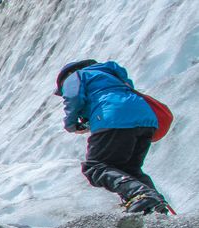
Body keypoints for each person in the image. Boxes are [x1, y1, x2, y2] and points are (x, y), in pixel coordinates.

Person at [55, 59, 168, 214]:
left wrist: (71, 124)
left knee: (95, 167)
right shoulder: (111, 75)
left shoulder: (76, 75)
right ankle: (156, 206)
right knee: (130, 169)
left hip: (114, 116)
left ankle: (140, 196)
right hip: (146, 118)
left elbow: (73, 98)